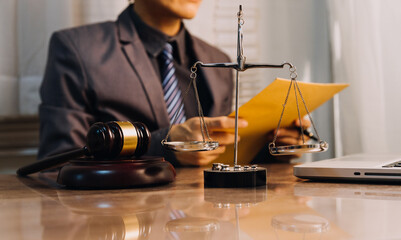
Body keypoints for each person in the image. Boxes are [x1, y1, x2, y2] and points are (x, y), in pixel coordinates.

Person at [38, 0, 308, 166]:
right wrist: (165, 146)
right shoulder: (77, 49)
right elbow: (58, 162)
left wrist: (273, 147)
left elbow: (219, 155)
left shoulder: (218, 62)